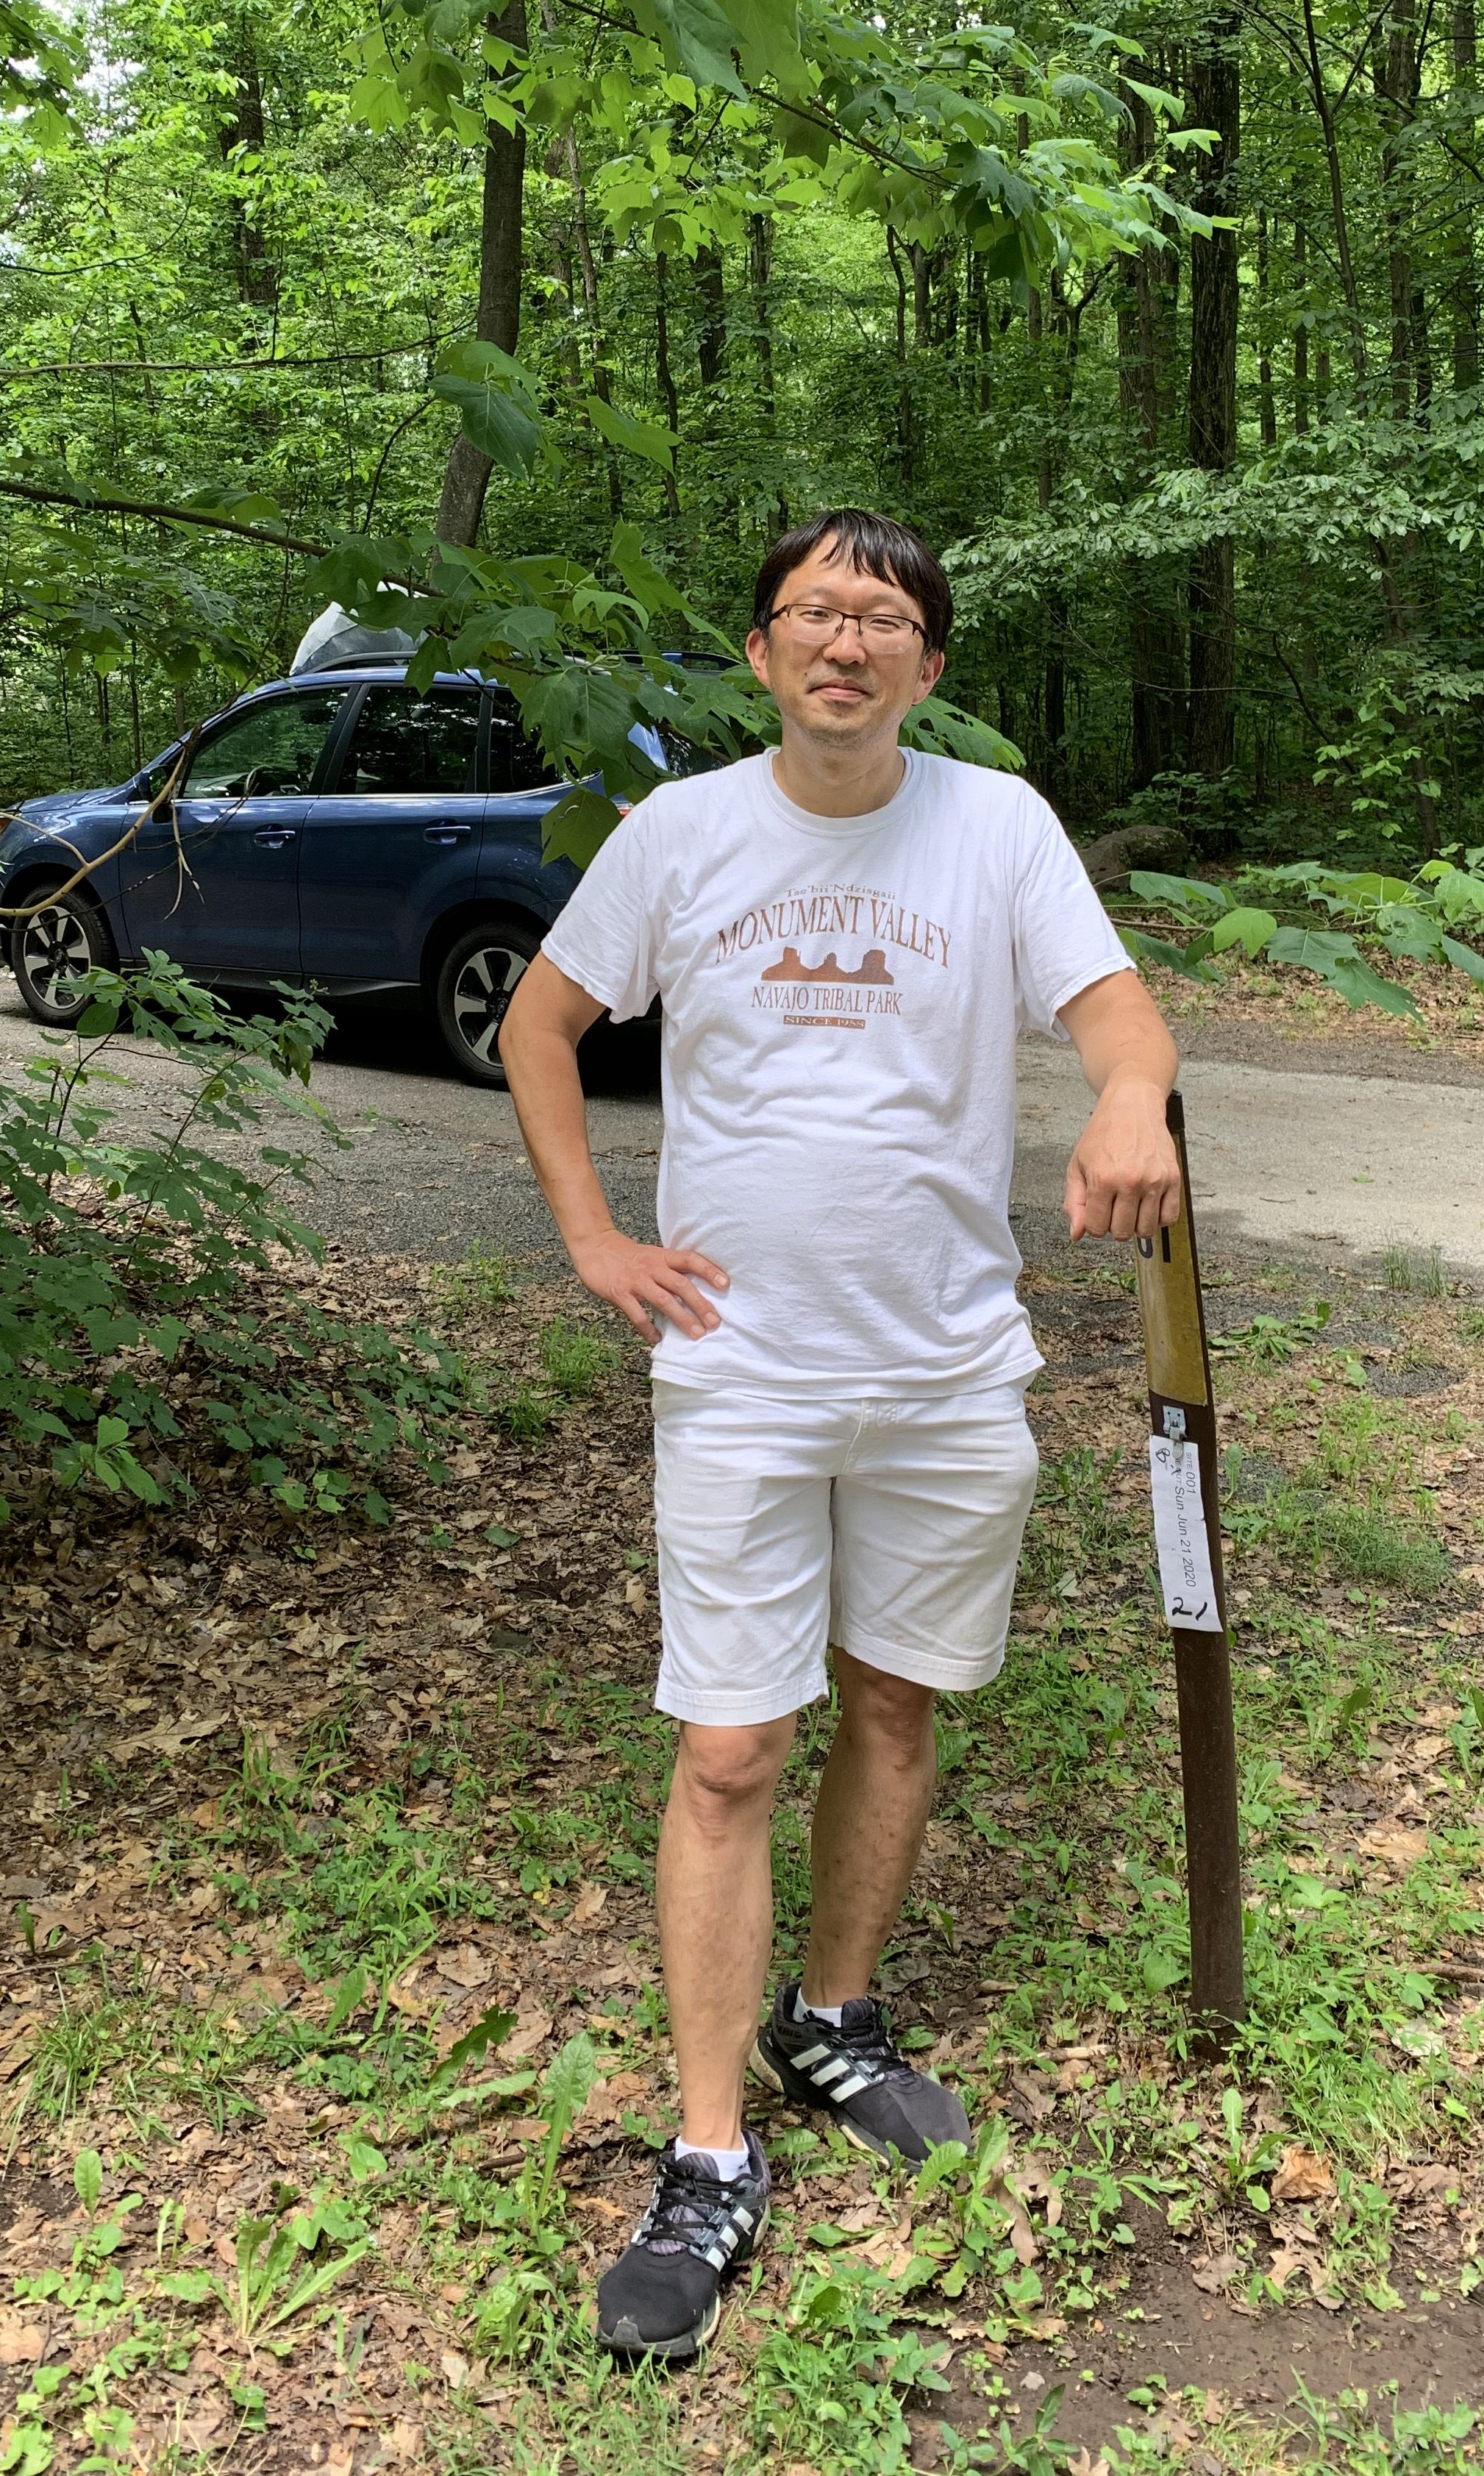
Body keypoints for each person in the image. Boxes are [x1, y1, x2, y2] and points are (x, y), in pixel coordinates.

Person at [498, 508, 1182, 2364]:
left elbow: (1118, 1012)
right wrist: (591, 1237)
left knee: (893, 1703)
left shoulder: (996, 827)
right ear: (763, 650)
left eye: (883, 618)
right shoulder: (681, 833)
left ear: (926, 666)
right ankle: (711, 2152)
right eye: (816, 611)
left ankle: (835, 2015)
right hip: (742, 1367)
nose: (847, 641)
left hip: (948, 1366)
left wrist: (1131, 1099)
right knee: (731, 1750)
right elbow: (542, 1026)